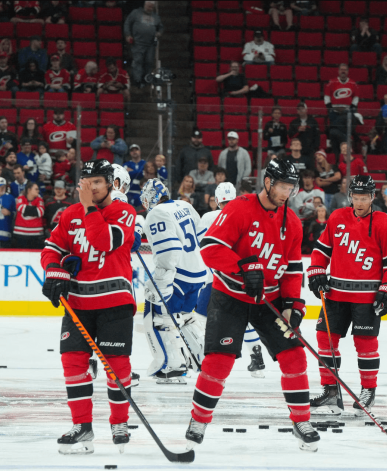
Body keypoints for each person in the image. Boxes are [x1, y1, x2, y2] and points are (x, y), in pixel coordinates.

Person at [185, 158, 319, 451]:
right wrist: (243, 266)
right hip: (230, 296)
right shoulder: (240, 208)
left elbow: (294, 269)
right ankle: (199, 419)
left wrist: (293, 305)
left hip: (268, 299)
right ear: (268, 182)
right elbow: (210, 249)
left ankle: (301, 420)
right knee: (218, 362)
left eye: (290, 187)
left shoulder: (292, 222)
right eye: (282, 186)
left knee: (295, 355)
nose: (286, 193)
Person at [40, 159, 136, 454]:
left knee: (116, 367)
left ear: (109, 183)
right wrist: (54, 270)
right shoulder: (70, 214)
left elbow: (103, 240)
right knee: (72, 364)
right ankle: (83, 427)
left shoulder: (124, 212)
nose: (91, 187)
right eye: (87, 182)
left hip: (114, 301)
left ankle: (119, 423)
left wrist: (88, 207)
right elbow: (51, 248)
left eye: (97, 181)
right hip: (78, 303)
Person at [307, 174, 387, 417]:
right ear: (350, 196)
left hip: (367, 297)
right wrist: (316, 271)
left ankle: (368, 390)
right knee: (324, 338)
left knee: (365, 344)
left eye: (364, 197)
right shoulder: (337, 217)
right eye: (356, 197)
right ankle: (330, 389)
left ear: (373, 197)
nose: (359, 202)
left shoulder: (385, 223)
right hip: (335, 294)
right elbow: (321, 250)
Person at [139, 178, 208, 383]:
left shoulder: (156, 213)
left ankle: (172, 366)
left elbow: (169, 250)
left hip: (179, 274)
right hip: (198, 272)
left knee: (156, 316)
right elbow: (202, 236)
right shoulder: (185, 205)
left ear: (151, 197)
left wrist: (160, 281)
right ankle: (204, 360)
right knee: (185, 316)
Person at [196, 182, 268, 377]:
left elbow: (204, 248)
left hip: (216, 279)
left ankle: (203, 358)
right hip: (241, 277)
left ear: (217, 199)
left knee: (200, 318)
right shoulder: (245, 213)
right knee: (243, 319)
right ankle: (256, 355)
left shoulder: (209, 217)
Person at [123, 1, 162, 87]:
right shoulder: (136, 13)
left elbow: (160, 27)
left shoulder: (156, 16)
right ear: (145, 5)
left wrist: (159, 33)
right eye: (148, 6)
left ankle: (146, 79)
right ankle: (137, 80)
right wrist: (128, 35)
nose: (149, 8)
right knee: (138, 61)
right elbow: (127, 23)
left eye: (151, 7)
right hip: (138, 43)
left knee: (149, 61)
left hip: (150, 44)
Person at [324, 64, 359, 154]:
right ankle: (333, 146)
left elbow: (356, 97)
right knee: (333, 129)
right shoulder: (332, 82)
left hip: (347, 112)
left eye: (345, 70)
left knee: (345, 131)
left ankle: (347, 148)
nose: (343, 72)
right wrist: (329, 108)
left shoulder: (353, 83)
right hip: (334, 111)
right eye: (341, 70)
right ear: (338, 71)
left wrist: (352, 108)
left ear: (348, 71)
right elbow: (327, 96)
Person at [0, 176, 14, 246]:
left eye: (3, 187)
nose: (1, 189)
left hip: (6, 235)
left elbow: (15, 214)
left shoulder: (10, 198)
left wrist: (9, 213)